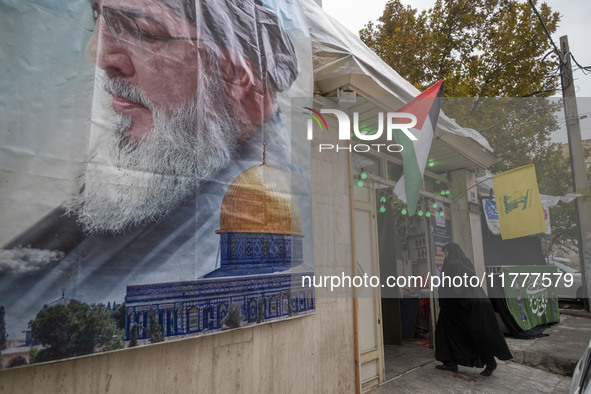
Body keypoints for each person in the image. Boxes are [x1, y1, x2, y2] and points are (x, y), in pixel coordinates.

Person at [0, 0, 310, 344]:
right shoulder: (128, 187)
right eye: (98, 20)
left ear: (236, 71)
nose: (97, 54)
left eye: (142, 31)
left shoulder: (225, 185)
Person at [435, 243, 512, 376]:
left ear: (451, 251)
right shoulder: (465, 263)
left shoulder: (452, 264)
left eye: (445, 252)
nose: (445, 255)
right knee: (472, 335)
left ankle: (488, 362)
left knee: (464, 335)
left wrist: (442, 301)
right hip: (472, 304)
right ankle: (451, 362)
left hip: (460, 306)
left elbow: (451, 287)